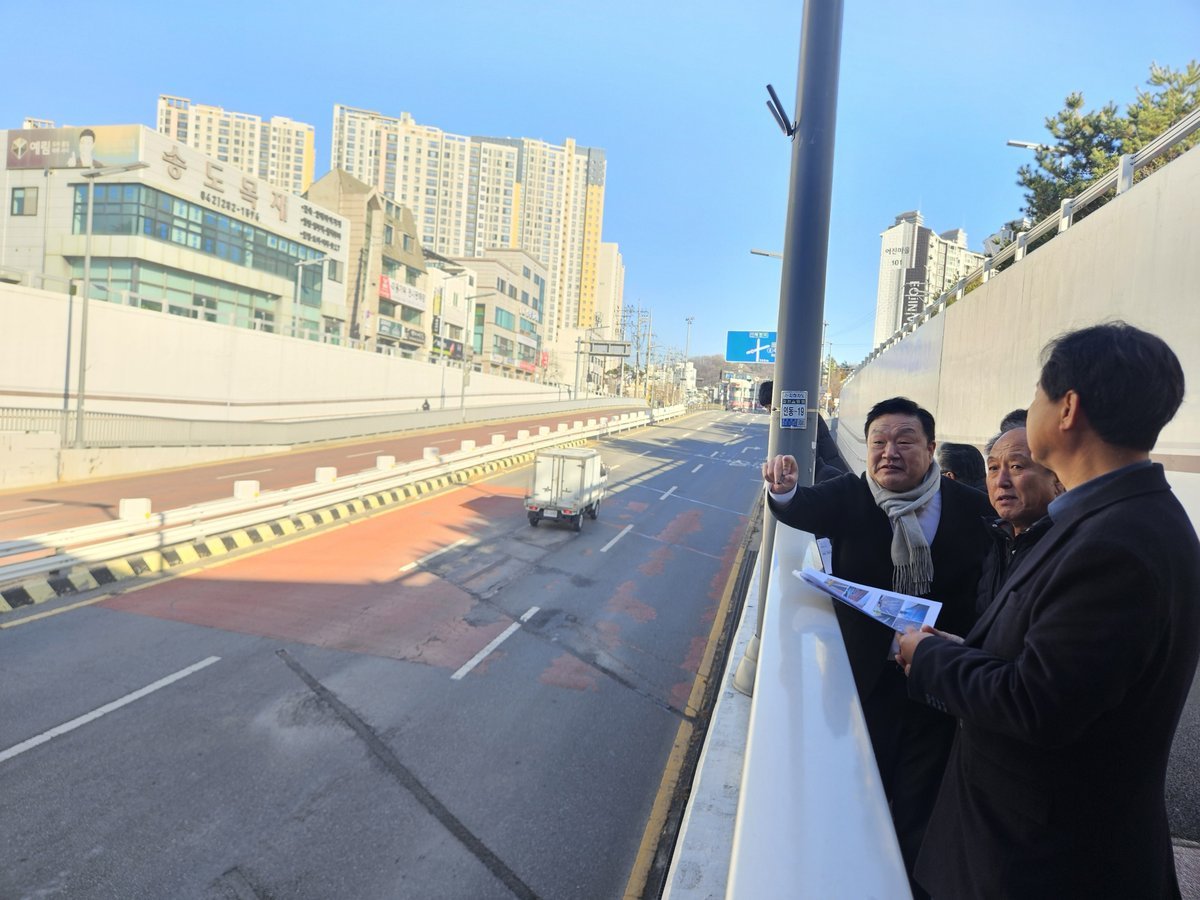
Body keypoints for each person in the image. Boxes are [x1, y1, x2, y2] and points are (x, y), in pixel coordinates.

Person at [897, 322, 1200, 899]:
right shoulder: (1117, 520)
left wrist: (930, 656)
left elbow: (1036, 705)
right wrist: (970, 652)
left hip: (1043, 863)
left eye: (1038, 393)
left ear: (1068, 409)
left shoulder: (1114, 543)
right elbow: (1059, 674)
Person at [763, 396, 993, 897]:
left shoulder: (972, 507)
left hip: (936, 685)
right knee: (859, 794)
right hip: (862, 681)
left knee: (920, 806)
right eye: (879, 442)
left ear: (931, 449)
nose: (890, 452)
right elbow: (798, 507)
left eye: (905, 441)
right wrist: (782, 490)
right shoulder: (850, 495)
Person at [975, 425, 1062, 614]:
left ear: (1057, 479)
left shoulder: (1069, 545)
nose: (1001, 481)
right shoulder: (998, 538)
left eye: (1016, 466)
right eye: (993, 468)